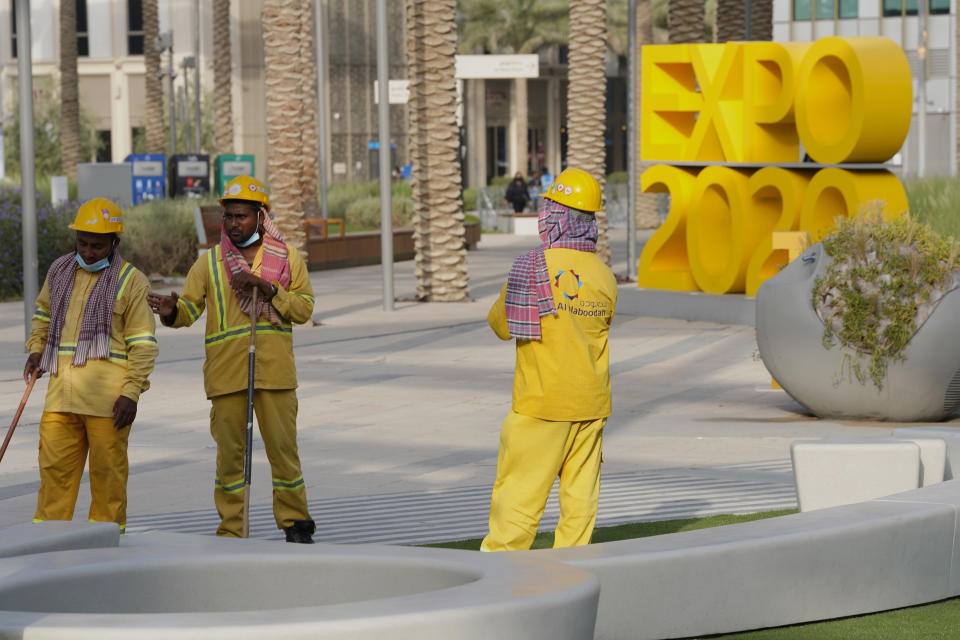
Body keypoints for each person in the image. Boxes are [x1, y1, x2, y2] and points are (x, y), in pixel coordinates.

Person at [146, 175, 316, 543]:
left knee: (284, 453)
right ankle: (232, 530)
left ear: (260, 216)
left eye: (242, 216)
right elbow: (188, 309)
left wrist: (270, 290)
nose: (234, 223)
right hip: (226, 377)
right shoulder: (209, 264)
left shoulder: (287, 260)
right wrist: (171, 311)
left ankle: (296, 523)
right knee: (230, 461)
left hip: (275, 375)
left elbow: (304, 309)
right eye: (229, 217)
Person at [481, 167, 617, 551]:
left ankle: (500, 577)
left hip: (541, 406)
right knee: (580, 505)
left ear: (554, 214)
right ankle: (570, 579)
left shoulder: (530, 268)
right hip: (591, 405)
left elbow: (501, 325)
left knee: (519, 502)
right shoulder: (605, 276)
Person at [24, 198, 159, 533]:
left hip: (108, 403)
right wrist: (36, 348)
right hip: (60, 397)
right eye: (82, 243)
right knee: (53, 475)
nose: (87, 251)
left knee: (108, 479)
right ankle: (48, 542)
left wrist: (132, 393)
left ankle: (106, 549)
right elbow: (43, 313)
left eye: (97, 245)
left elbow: (142, 344)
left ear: (116, 243)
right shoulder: (58, 270)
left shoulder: (132, 281)